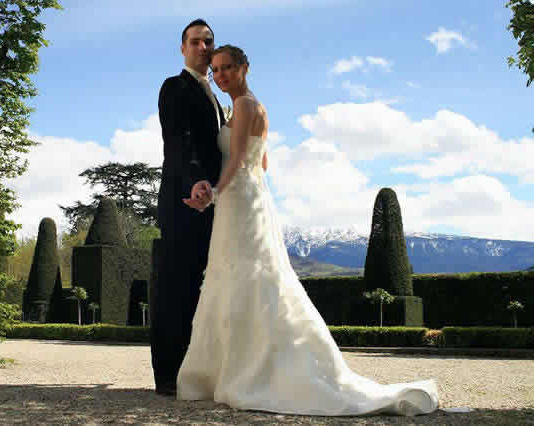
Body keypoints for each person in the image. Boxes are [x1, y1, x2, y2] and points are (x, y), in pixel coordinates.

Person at [178, 45, 439, 416]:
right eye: (216, 70)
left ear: (245, 68)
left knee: (243, 275)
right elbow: (262, 162)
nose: (220, 75)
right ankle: (245, 366)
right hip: (249, 197)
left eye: (227, 68)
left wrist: (216, 194)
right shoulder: (248, 107)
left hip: (239, 198)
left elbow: (236, 160)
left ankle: (247, 370)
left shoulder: (247, 106)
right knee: (247, 275)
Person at [152, 19, 226, 396]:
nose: (202, 47)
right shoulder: (174, 87)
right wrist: (195, 180)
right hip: (184, 201)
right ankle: (167, 376)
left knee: (205, 290)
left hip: (215, 205)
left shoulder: (218, 99)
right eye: (195, 41)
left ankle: (198, 372)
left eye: (208, 41)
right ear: (183, 48)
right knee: (175, 288)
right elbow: (178, 141)